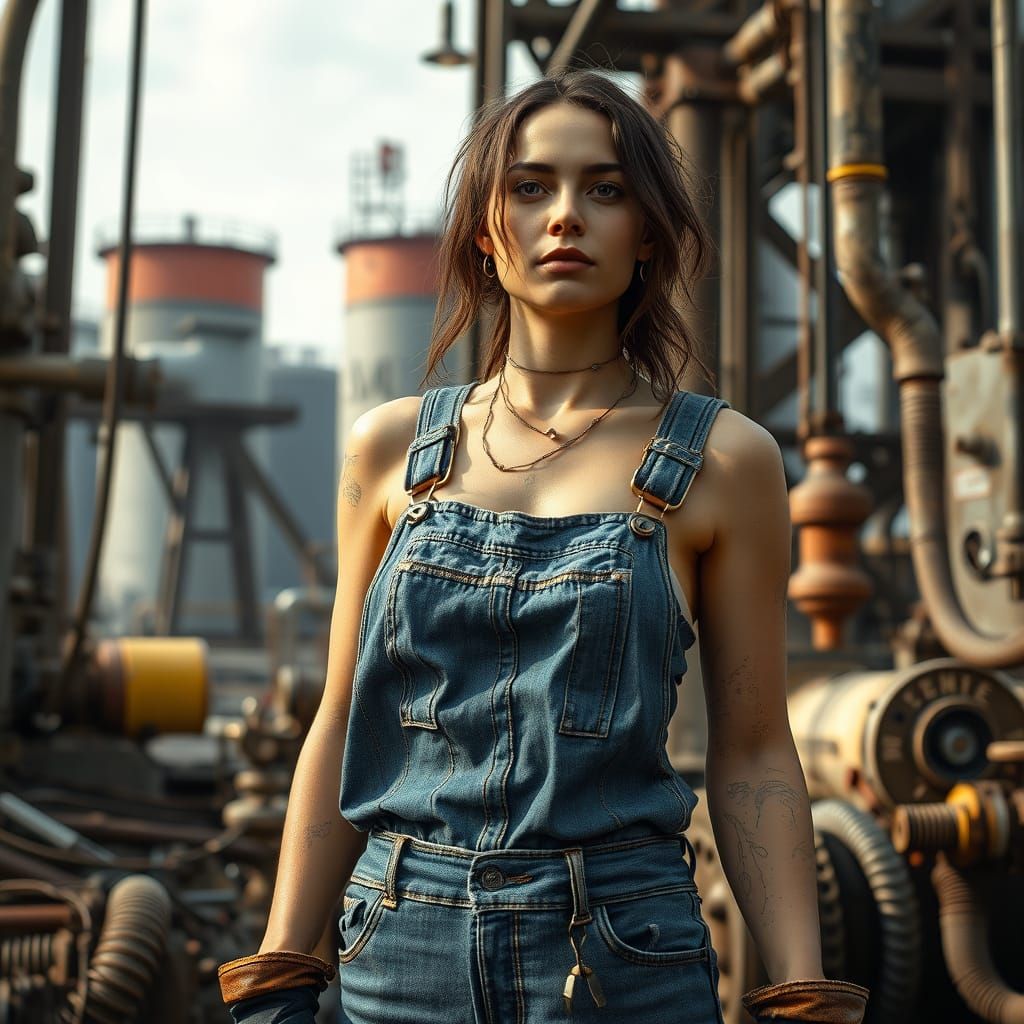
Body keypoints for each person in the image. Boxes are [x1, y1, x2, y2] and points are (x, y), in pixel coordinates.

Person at [217, 70, 869, 1024]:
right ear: (487, 230)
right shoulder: (393, 450)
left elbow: (756, 746)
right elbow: (340, 723)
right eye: (531, 188)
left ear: (647, 231)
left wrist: (800, 991)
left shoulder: (728, 459)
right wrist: (279, 968)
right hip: (400, 944)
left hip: (622, 954)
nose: (566, 215)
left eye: (605, 189)